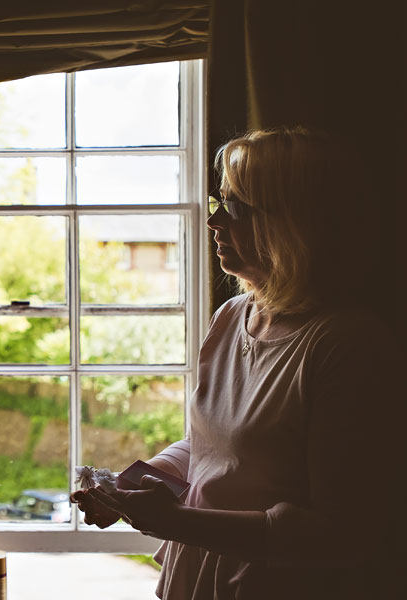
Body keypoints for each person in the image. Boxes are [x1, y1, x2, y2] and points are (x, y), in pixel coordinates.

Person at [72, 127, 399, 599]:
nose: (214, 221)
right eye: (216, 203)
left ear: (294, 222)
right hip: (200, 571)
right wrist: (129, 491)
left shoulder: (347, 345)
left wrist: (175, 521)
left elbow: (342, 533)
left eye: (237, 208)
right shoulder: (232, 316)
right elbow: (208, 447)